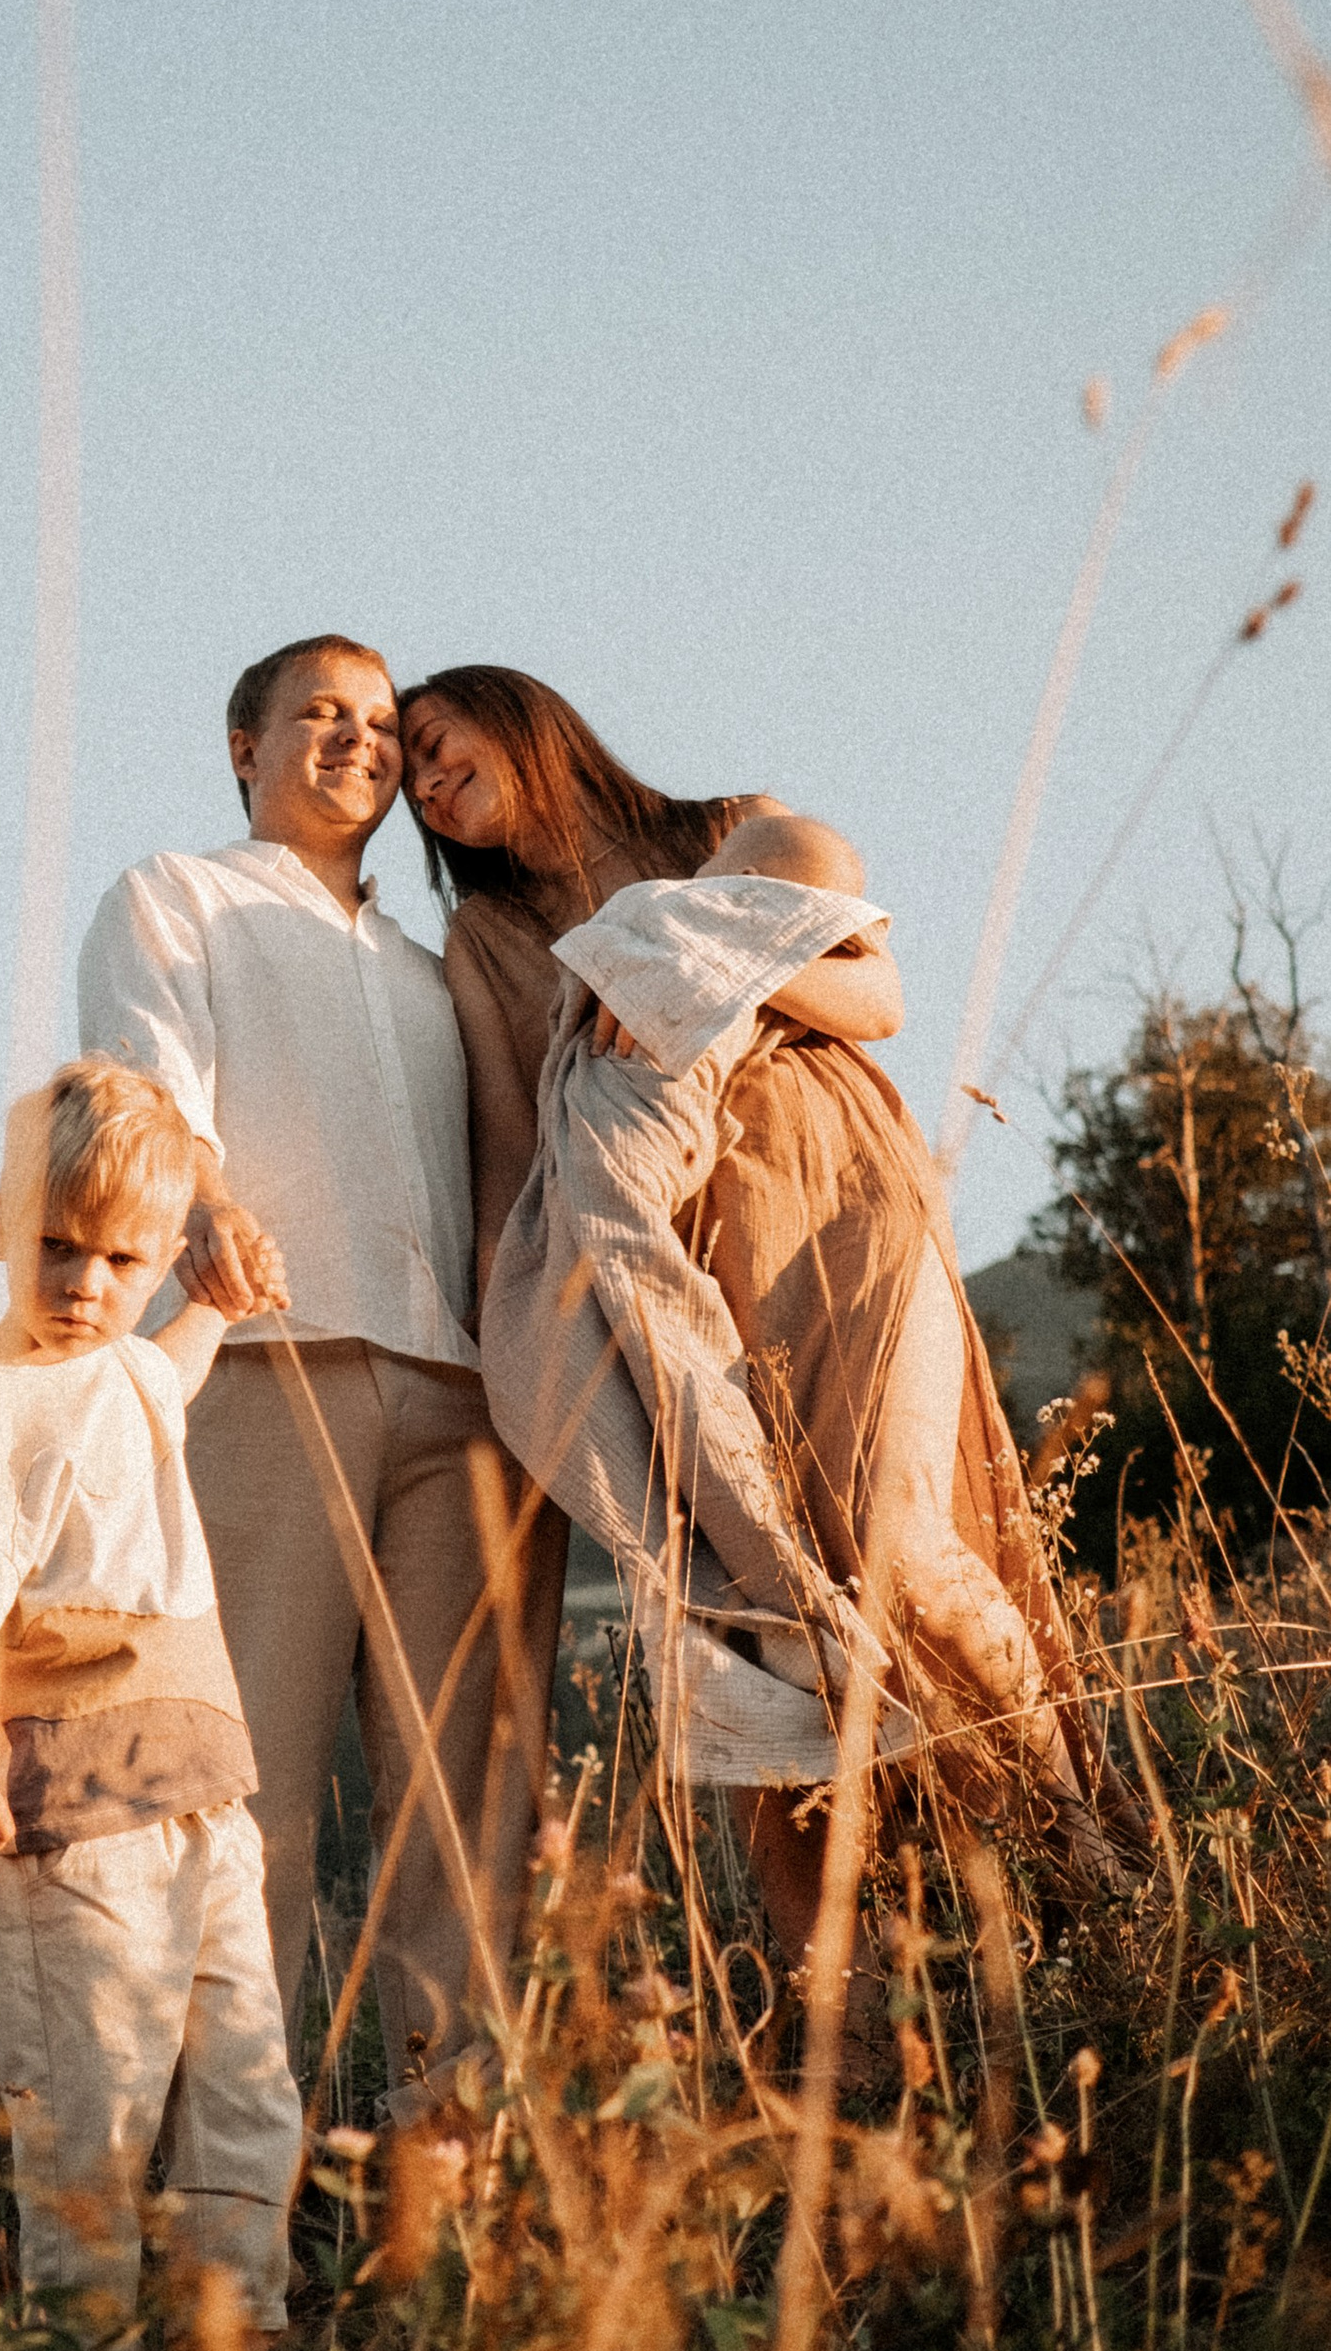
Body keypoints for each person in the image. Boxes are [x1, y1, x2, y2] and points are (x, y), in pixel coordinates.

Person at [400, 667, 1119, 1988]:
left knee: (901, 1541)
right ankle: (836, 2003)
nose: (429, 783)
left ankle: (1086, 1880)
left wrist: (706, 972)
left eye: (439, 745)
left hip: (834, 1204)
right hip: (665, 1259)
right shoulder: (487, 943)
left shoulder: (726, 826)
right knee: (736, 1604)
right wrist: (523, 1332)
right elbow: (511, 1145)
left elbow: (879, 1001)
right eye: (413, 781)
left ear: (522, 717)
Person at [76, 636, 565, 2111]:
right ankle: (230, 2192)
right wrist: (206, 1200)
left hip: (467, 1406)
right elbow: (146, 1082)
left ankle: (450, 2164)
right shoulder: (178, 895)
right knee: (248, 1799)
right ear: (245, 745)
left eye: (379, 724)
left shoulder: (437, 968)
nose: (359, 740)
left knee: (465, 1801)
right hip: (270, 1368)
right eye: (321, 715)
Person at [0, 1055, 304, 2351]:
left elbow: (157, 1389)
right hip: (78, 1824)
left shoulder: (124, 1363)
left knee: (249, 2097)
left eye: (120, 1261)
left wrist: (213, 1309)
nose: (81, 1286)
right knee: (94, 2125)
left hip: (201, 1798)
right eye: (55, 1249)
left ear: (158, 1257)